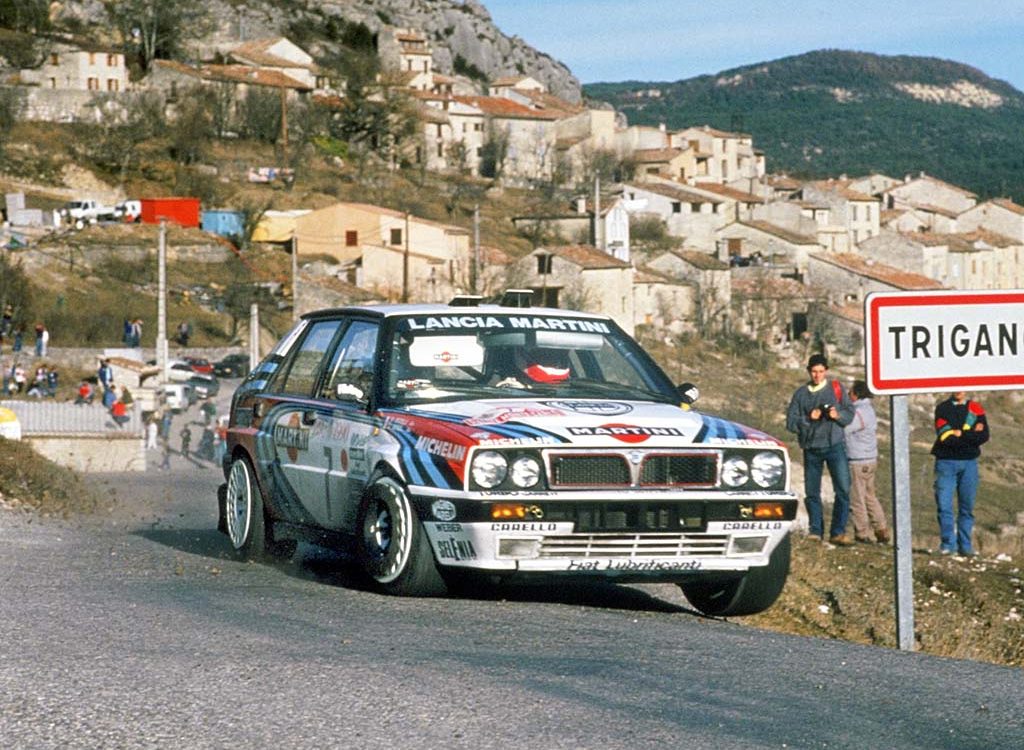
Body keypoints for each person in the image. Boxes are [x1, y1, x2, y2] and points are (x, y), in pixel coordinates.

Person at [786, 354, 855, 545]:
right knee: (812, 492)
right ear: (809, 371)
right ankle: (815, 530)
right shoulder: (801, 394)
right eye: (814, 371)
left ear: (826, 371)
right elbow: (790, 423)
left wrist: (837, 415)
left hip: (835, 446)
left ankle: (838, 532)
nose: (817, 375)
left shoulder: (837, 389)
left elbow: (849, 413)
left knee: (842, 490)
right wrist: (808, 418)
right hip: (812, 448)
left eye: (821, 371)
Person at [931, 392, 989, 556]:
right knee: (944, 506)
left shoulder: (975, 408)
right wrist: (971, 433)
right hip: (945, 462)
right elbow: (945, 437)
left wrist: (959, 433)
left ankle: (966, 546)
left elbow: (984, 436)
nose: (959, 391)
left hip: (970, 463)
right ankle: (948, 545)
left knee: (967, 507)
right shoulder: (942, 408)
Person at [843, 380, 889, 544]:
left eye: (850, 393)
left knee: (857, 498)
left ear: (856, 394)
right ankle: (881, 528)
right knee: (870, 496)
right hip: (870, 459)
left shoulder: (859, 412)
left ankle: (862, 533)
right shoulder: (869, 409)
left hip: (858, 460)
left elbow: (845, 429)